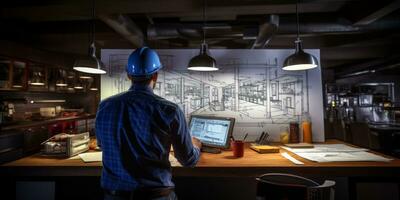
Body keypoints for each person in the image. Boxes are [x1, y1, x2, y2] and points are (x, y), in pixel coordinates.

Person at [95, 47, 202, 200]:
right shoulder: (170, 110)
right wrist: (197, 145)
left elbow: (102, 144)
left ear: (128, 75)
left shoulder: (105, 106)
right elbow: (188, 160)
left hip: (114, 196)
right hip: (156, 196)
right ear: (155, 75)